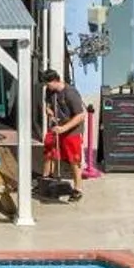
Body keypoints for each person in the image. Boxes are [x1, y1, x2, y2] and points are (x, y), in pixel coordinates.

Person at [40, 69, 87, 202]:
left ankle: (78, 189)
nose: (47, 87)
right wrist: (49, 112)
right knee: (49, 151)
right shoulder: (50, 91)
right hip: (56, 127)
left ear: (55, 81)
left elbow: (80, 115)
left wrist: (64, 128)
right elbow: (48, 105)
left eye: (48, 84)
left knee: (74, 159)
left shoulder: (70, 93)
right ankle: (46, 181)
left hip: (71, 130)